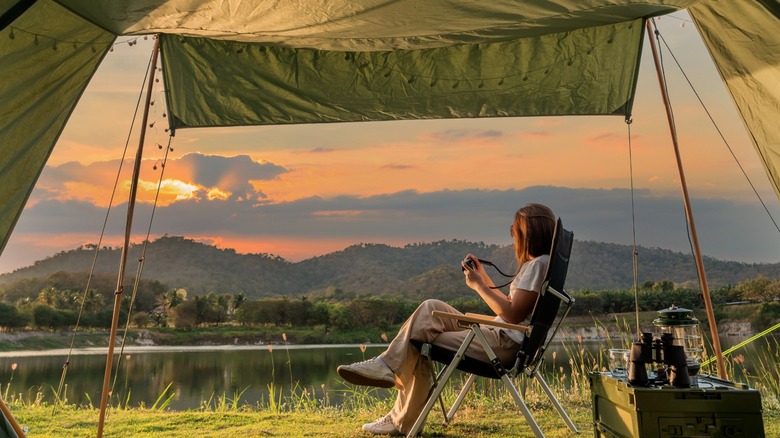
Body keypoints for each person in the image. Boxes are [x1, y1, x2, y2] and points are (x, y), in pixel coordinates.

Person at [336, 203, 557, 436]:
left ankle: (399, 413)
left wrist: (479, 286)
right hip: (499, 335)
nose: (512, 234)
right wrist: (482, 277)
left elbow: (512, 314)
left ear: (527, 232)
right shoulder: (543, 263)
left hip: (502, 343)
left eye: (514, 229)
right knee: (431, 308)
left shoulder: (537, 265)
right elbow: (513, 309)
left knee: (421, 338)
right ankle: (387, 372)